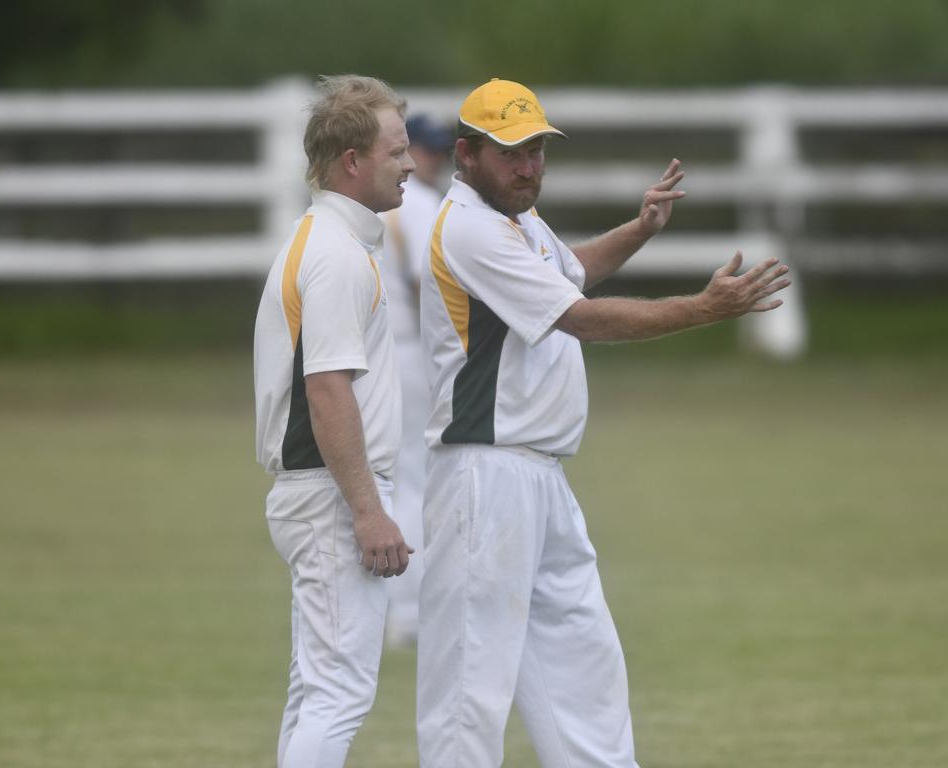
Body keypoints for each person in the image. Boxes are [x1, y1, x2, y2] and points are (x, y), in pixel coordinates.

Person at [415, 78, 791, 768]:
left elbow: (570, 274)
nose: (528, 167)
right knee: (468, 695)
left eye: (535, 151)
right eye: (510, 153)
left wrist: (638, 229)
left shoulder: (517, 219)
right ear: (465, 156)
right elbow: (576, 317)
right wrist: (705, 309)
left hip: (541, 477)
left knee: (584, 669)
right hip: (483, 477)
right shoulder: (468, 227)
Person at [253, 74, 416, 768]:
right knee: (338, 695)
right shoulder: (336, 255)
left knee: (315, 693)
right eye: (397, 151)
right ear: (353, 161)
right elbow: (327, 391)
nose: (410, 164)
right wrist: (368, 511)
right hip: (328, 495)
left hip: (316, 491)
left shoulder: (324, 239)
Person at [378, 114, 454, 648]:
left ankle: (400, 609)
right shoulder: (424, 207)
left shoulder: (366, 207)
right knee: (417, 479)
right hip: (412, 350)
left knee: (396, 475)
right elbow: (430, 287)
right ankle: (411, 612)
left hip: (372, 353)